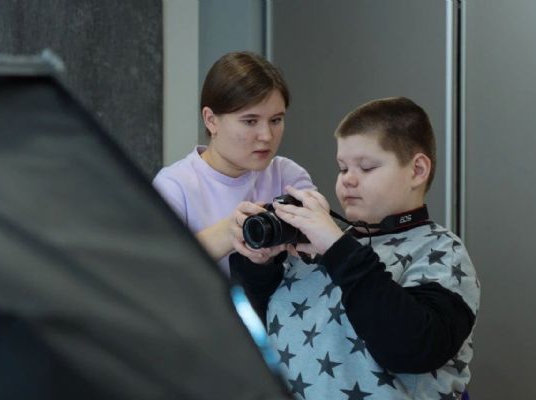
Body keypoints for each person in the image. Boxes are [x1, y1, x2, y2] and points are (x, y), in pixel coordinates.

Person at [230, 97, 480, 399]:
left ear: (417, 170)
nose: (348, 180)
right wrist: (258, 266)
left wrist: (338, 249)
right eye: (342, 168)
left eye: (366, 167)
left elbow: (412, 349)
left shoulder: (440, 251)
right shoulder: (317, 246)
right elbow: (257, 336)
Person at [152, 51, 315, 275]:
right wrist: (230, 233)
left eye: (276, 120)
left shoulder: (288, 176)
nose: (267, 135)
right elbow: (154, 271)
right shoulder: (174, 186)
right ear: (211, 120)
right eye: (250, 121)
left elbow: (319, 262)